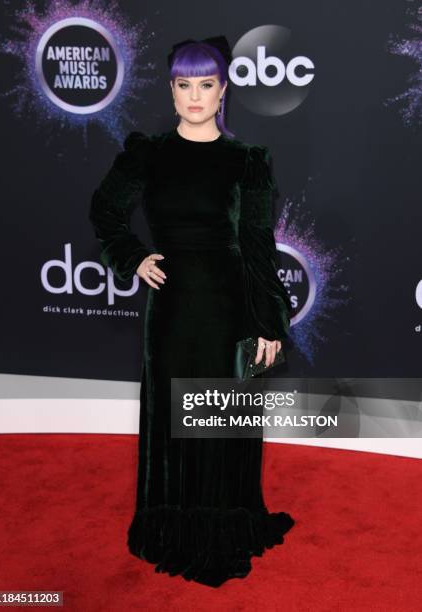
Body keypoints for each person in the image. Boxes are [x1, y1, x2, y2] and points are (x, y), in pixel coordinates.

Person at [89, 35, 295, 588]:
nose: (195, 96)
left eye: (206, 85)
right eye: (184, 85)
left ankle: (223, 525)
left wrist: (266, 321)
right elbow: (105, 209)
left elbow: (256, 246)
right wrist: (132, 257)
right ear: (171, 90)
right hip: (173, 308)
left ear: (223, 90)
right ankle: (172, 525)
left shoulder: (245, 162)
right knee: (170, 418)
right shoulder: (149, 153)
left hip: (228, 308)